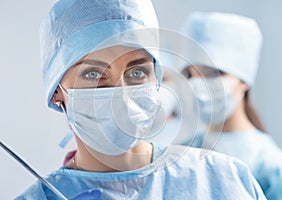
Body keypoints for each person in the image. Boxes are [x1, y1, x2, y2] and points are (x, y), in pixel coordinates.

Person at [16, 1, 267, 199]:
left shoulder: (225, 181)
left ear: (156, 79)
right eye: (94, 75)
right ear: (57, 90)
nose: (122, 96)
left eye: (137, 73)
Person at [178, 12, 282, 199]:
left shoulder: (276, 171)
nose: (197, 85)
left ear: (244, 81)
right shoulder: (181, 153)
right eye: (189, 75)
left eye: (212, 73)